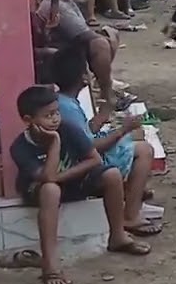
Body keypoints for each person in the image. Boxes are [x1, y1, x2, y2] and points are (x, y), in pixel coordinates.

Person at [10, 84, 149, 284]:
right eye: (48, 116)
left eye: (56, 112)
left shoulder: (67, 128)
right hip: (40, 191)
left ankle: (118, 236)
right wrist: (54, 143)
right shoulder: (20, 147)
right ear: (28, 120)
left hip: (70, 181)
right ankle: (50, 266)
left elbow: (94, 159)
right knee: (50, 190)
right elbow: (48, 178)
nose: (55, 119)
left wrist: (61, 176)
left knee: (111, 174)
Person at [51, 48, 160, 237]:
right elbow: (89, 148)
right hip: (79, 166)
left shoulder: (64, 101)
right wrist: (123, 129)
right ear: (83, 77)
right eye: (87, 70)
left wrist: (102, 116)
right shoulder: (68, 107)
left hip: (74, 159)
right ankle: (131, 215)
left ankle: (132, 194)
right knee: (144, 150)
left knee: (133, 143)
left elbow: (82, 135)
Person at [36, 0, 122, 109]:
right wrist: (105, 39)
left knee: (110, 34)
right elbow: (85, 34)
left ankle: (103, 82)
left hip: (71, 42)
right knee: (101, 44)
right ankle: (106, 92)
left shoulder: (65, 0)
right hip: (60, 50)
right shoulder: (57, 5)